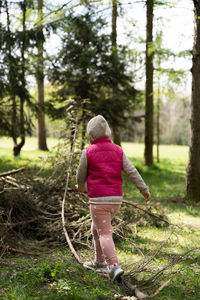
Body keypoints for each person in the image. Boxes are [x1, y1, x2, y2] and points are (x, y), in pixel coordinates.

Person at [76, 115, 151, 282]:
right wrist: (143, 189)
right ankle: (99, 261)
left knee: (104, 233)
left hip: (98, 201)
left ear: (90, 137)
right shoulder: (118, 150)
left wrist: (80, 187)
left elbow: (80, 174)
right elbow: (131, 171)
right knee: (96, 229)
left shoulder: (88, 152)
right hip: (116, 201)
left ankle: (113, 265)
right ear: (108, 134)